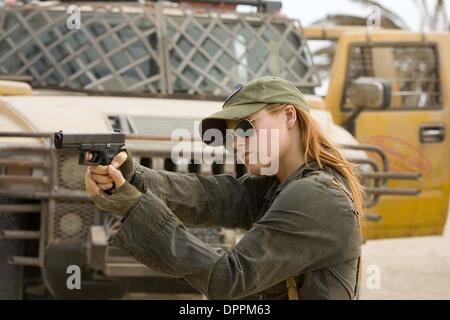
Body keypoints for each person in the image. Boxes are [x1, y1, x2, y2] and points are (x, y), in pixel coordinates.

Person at [84, 76, 364, 300]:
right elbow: (209, 196)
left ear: (289, 116)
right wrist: (132, 177)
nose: (238, 143)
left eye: (246, 128)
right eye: (232, 135)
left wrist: (133, 206)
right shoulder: (281, 186)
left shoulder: (315, 195)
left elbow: (228, 279)